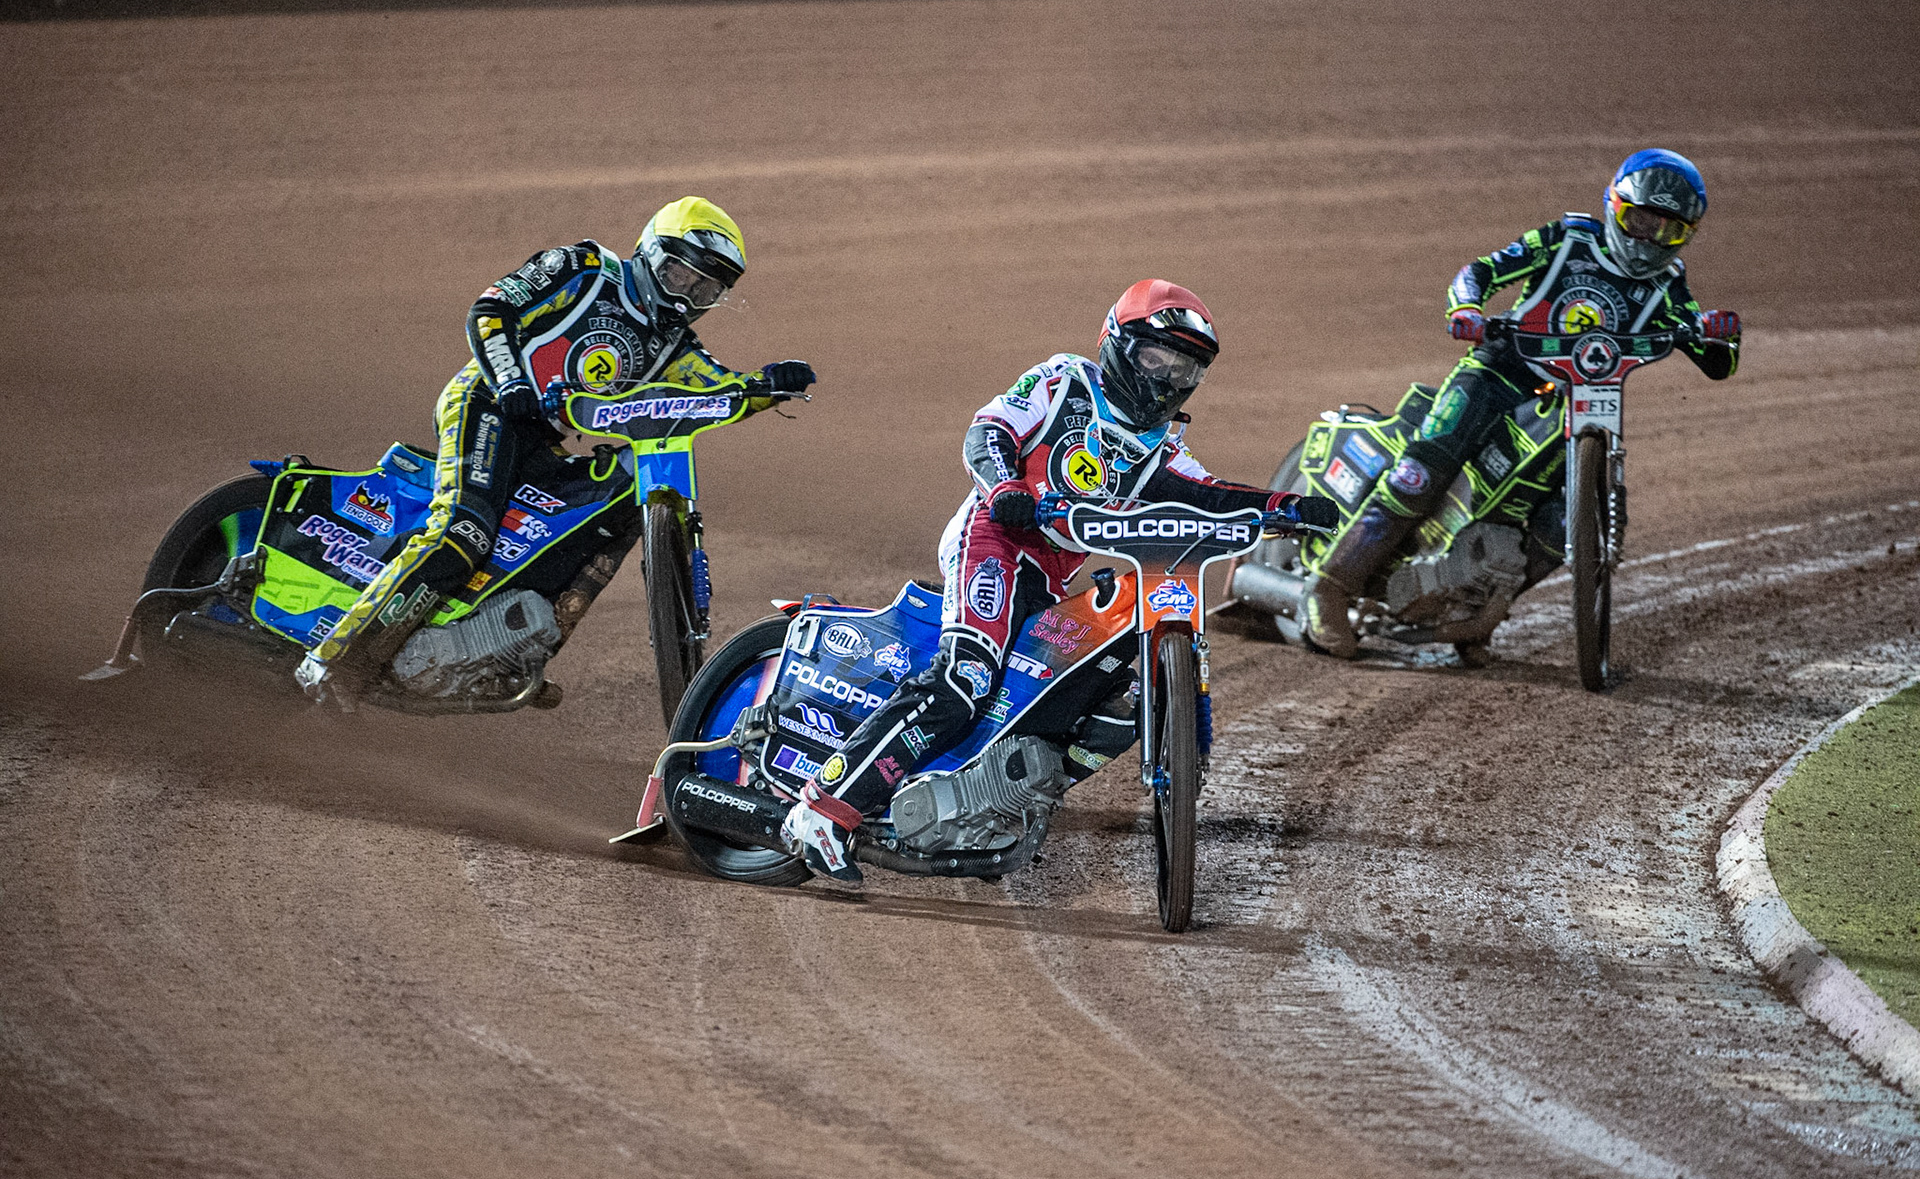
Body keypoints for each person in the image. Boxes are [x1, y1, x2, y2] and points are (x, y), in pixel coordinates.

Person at [779, 279, 1336, 885]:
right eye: (1157, 357)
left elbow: (1213, 495)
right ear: (1119, 344)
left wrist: (1287, 506)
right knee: (964, 680)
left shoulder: (1163, 449)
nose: (1168, 378)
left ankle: (996, 799)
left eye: (1185, 368)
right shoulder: (1065, 382)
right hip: (995, 540)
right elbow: (987, 432)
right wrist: (1005, 486)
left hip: (1049, 574)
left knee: (1109, 696)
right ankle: (822, 810)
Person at [294, 196, 817, 705]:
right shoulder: (587, 268)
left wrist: (767, 385)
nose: (686, 298)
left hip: (543, 437)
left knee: (613, 508)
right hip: (488, 402)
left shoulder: (676, 348)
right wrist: (510, 383)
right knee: (464, 530)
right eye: (683, 275)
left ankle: (510, 648)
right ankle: (336, 660)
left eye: (706, 289)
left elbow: (714, 391)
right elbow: (492, 308)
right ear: (652, 252)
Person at [1301, 148, 1744, 658]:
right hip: (1499, 370)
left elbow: (1715, 362)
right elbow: (1483, 271)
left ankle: (1472, 615)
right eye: (1638, 219)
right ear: (1613, 206)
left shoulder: (1669, 284)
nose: (1647, 239)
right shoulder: (1567, 239)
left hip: (1583, 400)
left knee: (1566, 522)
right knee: (1421, 474)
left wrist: (1719, 335)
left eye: (1667, 230)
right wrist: (1466, 307)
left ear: (1686, 234)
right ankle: (1329, 589)